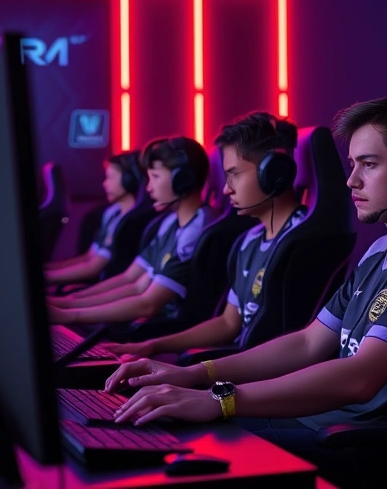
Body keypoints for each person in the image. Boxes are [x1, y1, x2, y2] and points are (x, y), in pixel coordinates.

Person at [102, 95, 387, 482]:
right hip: (319, 422)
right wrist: (194, 374)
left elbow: (360, 377)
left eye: (368, 164)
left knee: (190, 445)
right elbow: (308, 343)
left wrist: (220, 398)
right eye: (352, 165)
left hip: (357, 442)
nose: (352, 180)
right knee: (155, 429)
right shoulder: (381, 249)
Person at [104, 112, 305, 359]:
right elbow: (229, 323)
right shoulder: (250, 241)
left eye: (235, 174)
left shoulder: (301, 244)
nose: (225, 188)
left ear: (273, 172)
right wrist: (152, 346)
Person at [47, 136, 215, 325]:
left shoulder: (195, 231)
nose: (149, 188)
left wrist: (70, 314)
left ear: (182, 181)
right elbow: (133, 282)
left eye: (156, 177)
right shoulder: (169, 223)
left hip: (161, 331)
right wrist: (67, 303)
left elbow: (147, 304)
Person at [43, 153, 140, 285]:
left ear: (128, 180)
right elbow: (89, 257)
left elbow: (93, 267)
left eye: (110, 178)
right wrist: (48, 270)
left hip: (112, 288)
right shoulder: (112, 213)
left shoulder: (132, 222)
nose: (105, 184)